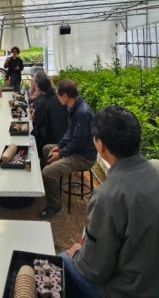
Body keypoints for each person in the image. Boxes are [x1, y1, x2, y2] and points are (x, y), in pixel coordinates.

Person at [61, 105, 159, 298]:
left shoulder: (108, 196)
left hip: (136, 292)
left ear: (100, 145)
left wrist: (78, 254)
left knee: (63, 261)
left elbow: (94, 270)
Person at [40, 80, 97, 218]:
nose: (57, 98)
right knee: (47, 148)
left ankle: (54, 206)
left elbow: (78, 142)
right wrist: (59, 146)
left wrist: (61, 154)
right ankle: (49, 185)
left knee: (48, 172)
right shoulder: (73, 107)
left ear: (65, 96)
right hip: (76, 149)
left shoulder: (82, 113)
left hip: (84, 156)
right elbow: (70, 132)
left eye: (58, 95)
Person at [30, 74, 69, 167]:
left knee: (33, 134)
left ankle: (38, 161)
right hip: (64, 134)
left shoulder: (44, 101)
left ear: (38, 86)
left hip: (53, 136)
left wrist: (33, 115)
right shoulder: (58, 97)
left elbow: (37, 120)